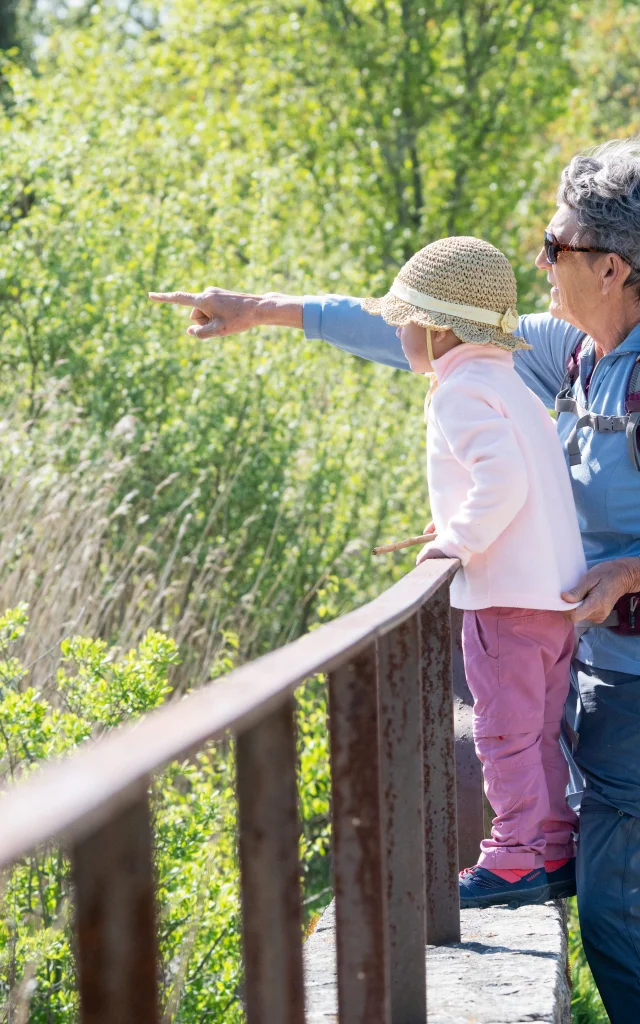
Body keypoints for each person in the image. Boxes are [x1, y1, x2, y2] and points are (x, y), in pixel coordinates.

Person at [150, 137, 640, 1022]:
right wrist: (260, 310)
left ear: (612, 267)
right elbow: (418, 328)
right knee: (613, 918)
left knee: (618, 917)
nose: (540, 262)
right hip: (593, 678)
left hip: (631, 689)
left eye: (554, 246)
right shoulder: (570, 351)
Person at [362, 234, 587, 909]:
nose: (399, 335)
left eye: (405, 322)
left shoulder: (457, 393)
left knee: (502, 733)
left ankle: (513, 856)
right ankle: (553, 845)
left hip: (505, 604)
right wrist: (458, 522)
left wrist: (457, 541)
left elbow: (503, 479)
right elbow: (528, 484)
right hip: (553, 600)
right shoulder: (510, 383)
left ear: (438, 331)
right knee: (540, 730)